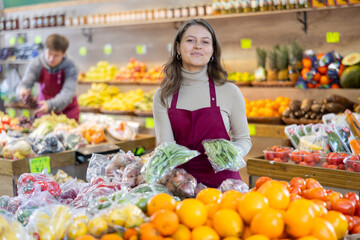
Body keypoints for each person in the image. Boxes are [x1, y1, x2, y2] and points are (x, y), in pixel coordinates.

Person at [153, 18, 252, 188]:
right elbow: (165, 145)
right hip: (180, 185)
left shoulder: (230, 91)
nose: (198, 46)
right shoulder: (163, 95)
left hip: (225, 186)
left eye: (205, 42)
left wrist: (231, 155)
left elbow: (243, 139)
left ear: (212, 50)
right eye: (190, 40)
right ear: (178, 47)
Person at [17, 33, 80, 121]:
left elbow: (68, 92)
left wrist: (51, 104)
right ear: (45, 49)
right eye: (49, 54)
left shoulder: (71, 66)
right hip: (44, 110)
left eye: (56, 55)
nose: (51, 59)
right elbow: (25, 83)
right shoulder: (37, 63)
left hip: (67, 112)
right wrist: (22, 90)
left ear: (64, 54)